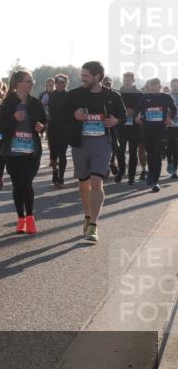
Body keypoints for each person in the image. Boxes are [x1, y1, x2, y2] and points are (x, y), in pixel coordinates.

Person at [64, 61, 125, 243]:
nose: (82, 78)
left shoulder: (112, 96)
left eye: (85, 76)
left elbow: (123, 117)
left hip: (102, 142)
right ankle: (87, 216)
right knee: (84, 184)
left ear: (97, 77)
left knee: (97, 181)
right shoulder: (75, 94)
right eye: (82, 75)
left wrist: (115, 121)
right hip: (80, 143)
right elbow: (62, 113)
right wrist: (74, 114)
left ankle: (93, 226)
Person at [0, 71, 46, 233]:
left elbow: (44, 122)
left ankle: (30, 217)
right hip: (13, 151)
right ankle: (20, 219)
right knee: (17, 186)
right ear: (17, 83)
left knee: (26, 182)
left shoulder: (36, 103)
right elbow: (1, 127)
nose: (31, 84)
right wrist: (13, 118)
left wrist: (41, 126)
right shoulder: (8, 103)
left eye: (32, 81)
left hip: (31, 151)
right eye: (27, 81)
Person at [134, 78, 178, 192]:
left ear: (160, 86)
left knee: (157, 155)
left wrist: (170, 118)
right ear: (150, 87)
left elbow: (174, 109)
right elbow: (136, 110)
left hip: (161, 130)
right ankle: (151, 174)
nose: (153, 87)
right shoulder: (145, 97)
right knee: (150, 154)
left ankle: (155, 181)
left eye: (156, 85)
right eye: (152, 85)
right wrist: (136, 117)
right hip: (147, 129)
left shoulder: (166, 97)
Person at [116, 71, 143, 185]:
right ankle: (121, 171)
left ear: (133, 80)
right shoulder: (118, 93)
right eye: (125, 79)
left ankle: (131, 176)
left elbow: (143, 108)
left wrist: (134, 112)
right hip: (121, 126)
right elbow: (113, 108)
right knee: (119, 150)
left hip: (134, 127)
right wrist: (123, 112)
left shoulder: (139, 94)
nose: (126, 81)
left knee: (133, 152)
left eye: (128, 79)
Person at [47, 74, 70, 188]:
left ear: (66, 83)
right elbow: (44, 109)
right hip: (52, 127)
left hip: (65, 128)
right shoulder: (50, 95)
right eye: (58, 82)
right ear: (55, 83)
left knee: (62, 154)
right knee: (53, 154)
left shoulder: (69, 95)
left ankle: (61, 176)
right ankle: (55, 171)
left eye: (62, 82)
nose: (60, 85)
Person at [167, 78, 178, 180]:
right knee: (169, 148)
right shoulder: (167, 96)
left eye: (177, 85)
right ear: (171, 85)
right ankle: (169, 163)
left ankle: (174, 170)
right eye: (173, 85)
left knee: (176, 149)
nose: (175, 87)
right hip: (169, 125)